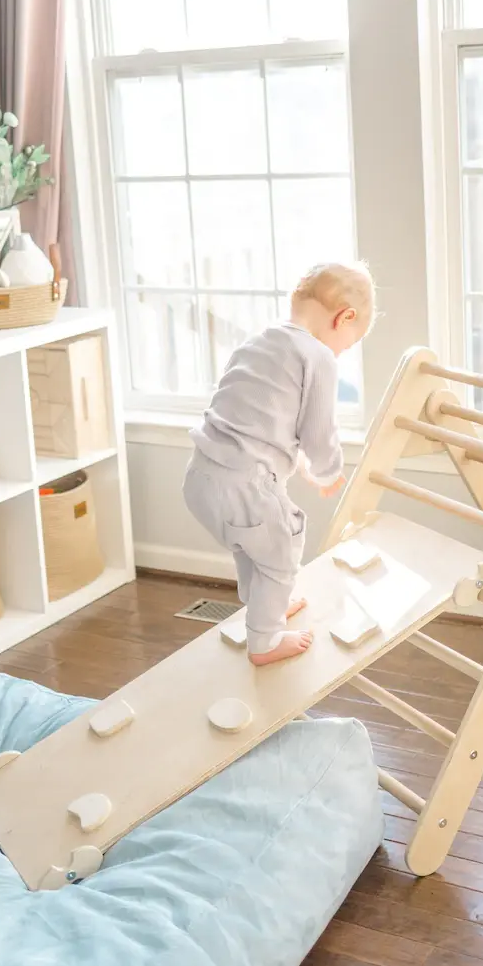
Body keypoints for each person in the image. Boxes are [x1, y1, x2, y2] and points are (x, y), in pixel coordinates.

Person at [184, 261, 376, 666]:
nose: (341, 352)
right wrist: (326, 470)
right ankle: (265, 640)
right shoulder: (318, 356)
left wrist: (296, 465)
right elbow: (319, 431)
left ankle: (264, 605)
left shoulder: (256, 342)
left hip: (201, 475)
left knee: (252, 544)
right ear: (345, 318)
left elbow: (256, 415)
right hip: (244, 483)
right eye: (349, 343)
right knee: (282, 546)